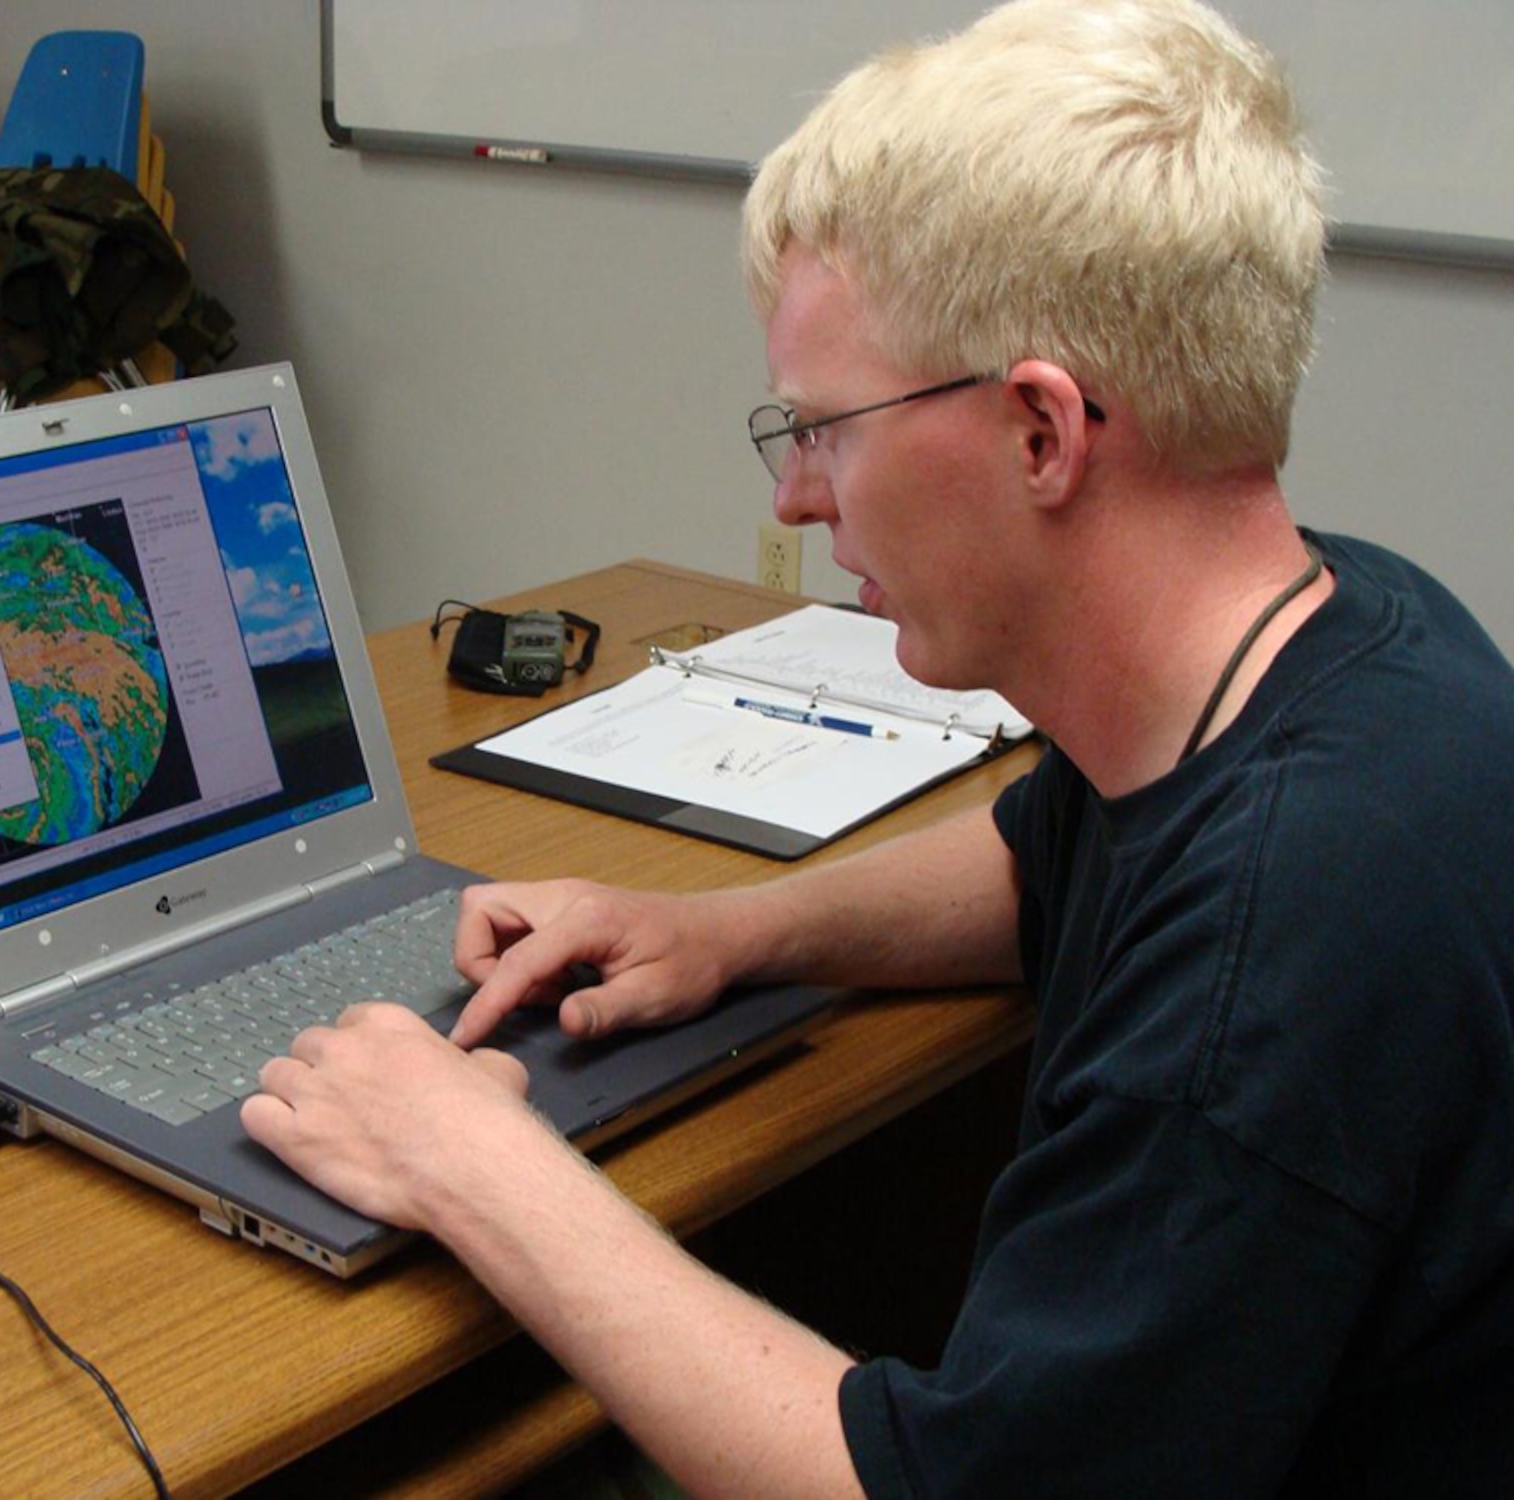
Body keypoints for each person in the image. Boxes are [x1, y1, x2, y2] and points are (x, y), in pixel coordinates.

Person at [242, 0, 1514, 1492]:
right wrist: (726, 931)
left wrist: (477, 1166)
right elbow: (1041, 853)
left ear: (1042, 432)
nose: (796, 498)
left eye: (828, 427)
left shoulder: (1269, 964)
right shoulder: (1345, 627)